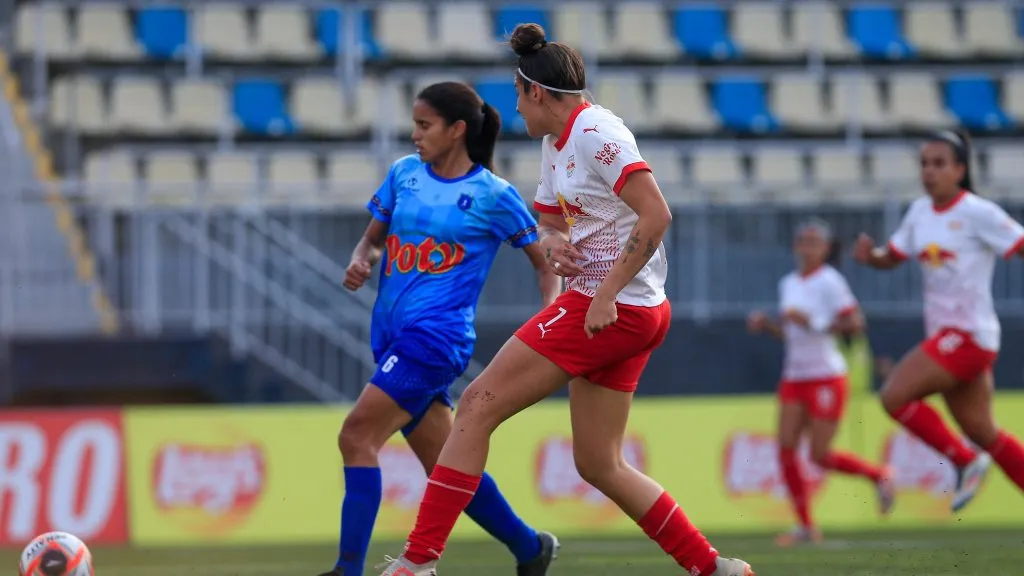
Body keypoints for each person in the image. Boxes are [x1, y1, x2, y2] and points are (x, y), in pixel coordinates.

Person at [377, 24, 753, 576]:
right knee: (599, 462)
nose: (517, 114)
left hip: (613, 309)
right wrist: (552, 245)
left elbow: (657, 215)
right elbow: (549, 221)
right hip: (631, 310)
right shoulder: (557, 142)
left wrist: (603, 296)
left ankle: (418, 561)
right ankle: (714, 568)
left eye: (518, 99)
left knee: (476, 407)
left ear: (536, 93)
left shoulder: (596, 133)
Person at [321, 81, 562, 576]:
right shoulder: (403, 175)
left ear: (456, 131)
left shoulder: (493, 196)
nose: (414, 135)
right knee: (447, 466)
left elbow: (545, 263)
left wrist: (551, 316)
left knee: (356, 436)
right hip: (390, 335)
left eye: (424, 125)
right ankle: (529, 548)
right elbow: (370, 241)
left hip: (435, 340)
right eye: (414, 124)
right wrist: (360, 261)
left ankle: (348, 570)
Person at [853, 130, 1024, 513]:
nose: (929, 172)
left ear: (960, 169)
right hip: (949, 338)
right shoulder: (919, 212)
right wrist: (872, 256)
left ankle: (964, 460)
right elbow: (893, 256)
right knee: (984, 431)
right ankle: (970, 454)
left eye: (939, 163)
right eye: (924, 164)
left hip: (969, 336)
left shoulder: (977, 212)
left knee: (894, 396)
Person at [748, 219, 894, 546]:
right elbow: (791, 333)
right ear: (796, 247)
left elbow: (856, 323)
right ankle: (805, 526)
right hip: (795, 374)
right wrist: (767, 326)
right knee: (785, 449)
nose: (808, 247)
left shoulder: (830, 281)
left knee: (819, 455)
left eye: (815, 241)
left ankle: (880, 476)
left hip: (826, 375)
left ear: (826, 249)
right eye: (803, 241)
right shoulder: (789, 283)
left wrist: (813, 321)